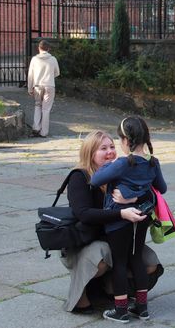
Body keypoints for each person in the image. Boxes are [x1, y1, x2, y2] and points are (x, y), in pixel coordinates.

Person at [61, 130, 163, 317]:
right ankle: (82, 291)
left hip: (117, 235)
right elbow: (84, 214)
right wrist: (120, 213)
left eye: (112, 147)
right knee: (102, 259)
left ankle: (113, 289)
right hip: (89, 239)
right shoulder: (79, 176)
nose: (110, 152)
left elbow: (152, 194)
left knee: (149, 263)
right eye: (103, 148)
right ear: (90, 153)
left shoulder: (119, 170)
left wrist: (132, 199)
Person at [89, 116, 167, 323]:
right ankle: (142, 307)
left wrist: (112, 166)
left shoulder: (123, 163)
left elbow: (95, 180)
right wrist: (140, 191)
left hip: (118, 221)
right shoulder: (153, 162)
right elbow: (163, 188)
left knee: (120, 263)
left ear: (125, 140)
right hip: (142, 218)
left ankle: (121, 309)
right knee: (136, 259)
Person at [27, 39, 60, 137]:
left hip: (37, 86)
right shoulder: (53, 59)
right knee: (46, 109)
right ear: (48, 49)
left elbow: (30, 75)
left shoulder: (34, 59)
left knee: (37, 105)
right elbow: (57, 72)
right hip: (49, 86)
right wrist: (49, 76)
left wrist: (29, 88)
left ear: (39, 48)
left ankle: (36, 127)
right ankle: (44, 132)